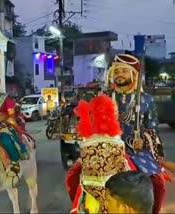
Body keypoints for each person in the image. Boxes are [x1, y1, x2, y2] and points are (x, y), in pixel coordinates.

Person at [65, 54, 167, 214]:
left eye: (124, 71)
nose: (119, 74)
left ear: (133, 74)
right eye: (117, 71)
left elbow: (152, 129)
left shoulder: (146, 100)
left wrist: (144, 141)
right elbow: (92, 123)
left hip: (136, 152)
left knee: (158, 183)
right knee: (73, 176)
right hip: (105, 148)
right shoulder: (104, 97)